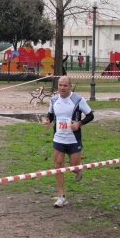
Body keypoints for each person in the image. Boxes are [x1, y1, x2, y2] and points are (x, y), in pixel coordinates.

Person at [43, 76, 94, 208]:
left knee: (73, 167)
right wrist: (48, 120)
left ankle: (78, 170)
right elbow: (51, 114)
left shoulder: (77, 99)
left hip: (73, 139)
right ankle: (61, 197)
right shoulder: (54, 100)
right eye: (60, 85)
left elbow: (90, 115)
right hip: (59, 138)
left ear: (70, 86)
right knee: (58, 166)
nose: (62, 88)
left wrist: (79, 123)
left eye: (65, 85)